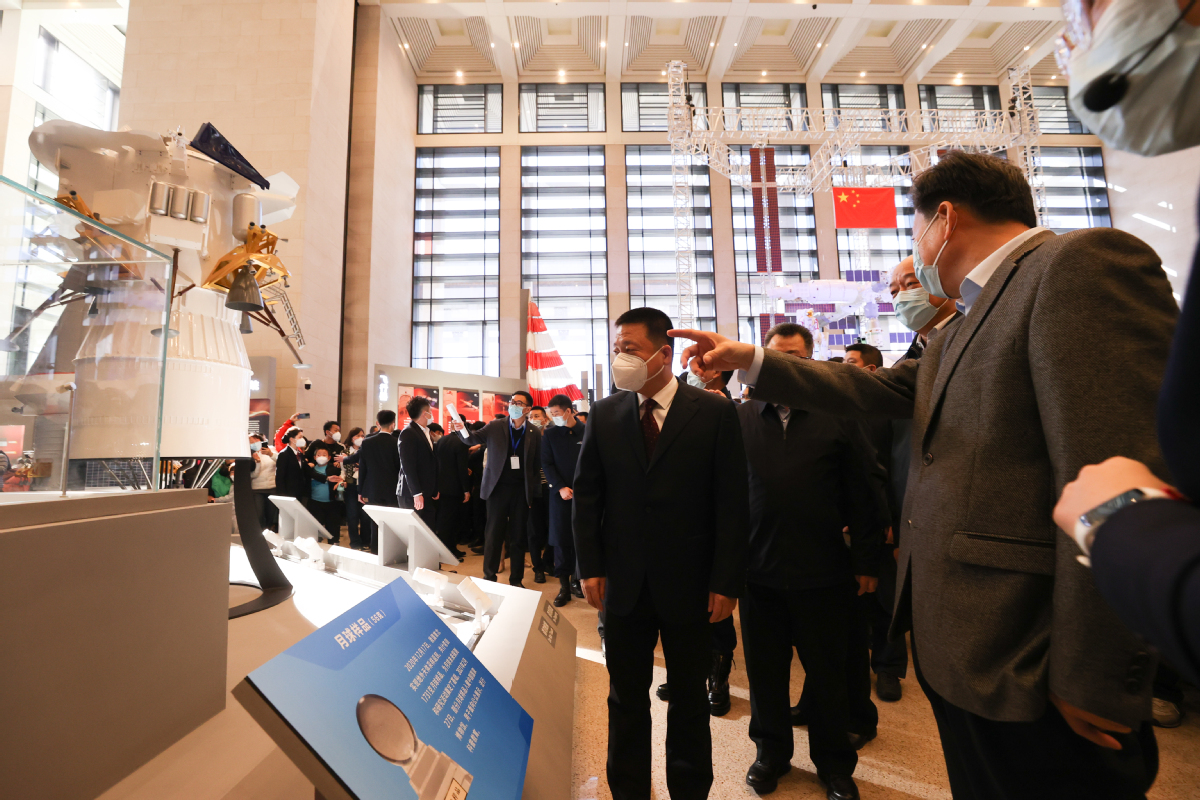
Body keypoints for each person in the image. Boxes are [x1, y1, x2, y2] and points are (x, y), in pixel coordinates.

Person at [672, 151, 1176, 800]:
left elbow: (1122, 475)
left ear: (944, 219)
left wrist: (1098, 671)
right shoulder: (966, 320)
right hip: (970, 652)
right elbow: (876, 389)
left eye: (914, 232)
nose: (916, 249)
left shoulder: (1077, 265)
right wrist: (750, 359)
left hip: (1032, 655)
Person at [573, 307, 750, 800]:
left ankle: (689, 789)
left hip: (692, 584)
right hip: (622, 582)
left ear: (663, 354)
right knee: (625, 698)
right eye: (616, 349)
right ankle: (629, 789)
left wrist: (726, 581)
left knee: (690, 699)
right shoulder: (606, 413)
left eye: (629, 349)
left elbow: (732, 502)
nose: (620, 358)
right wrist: (590, 567)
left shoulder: (713, 411)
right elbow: (588, 496)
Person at [738, 322, 884, 799]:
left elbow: (864, 491)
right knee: (765, 673)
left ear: (811, 362)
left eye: (796, 358)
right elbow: (723, 497)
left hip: (824, 571)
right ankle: (770, 754)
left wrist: (867, 562)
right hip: (757, 573)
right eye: (776, 357)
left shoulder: (837, 413)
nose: (785, 366)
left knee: (827, 675)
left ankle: (834, 764)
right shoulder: (741, 418)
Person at [843, 342, 906, 706]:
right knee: (856, 599)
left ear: (870, 370)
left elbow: (897, 470)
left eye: (850, 363)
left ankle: (888, 667)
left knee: (886, 599)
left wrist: (893, 519)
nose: (844, 368)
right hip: (850, 522)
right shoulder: (841, 409)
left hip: (884, 519)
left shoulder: (890, 411)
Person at [456, 391, 543, 587]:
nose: (513, 405)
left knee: (518, 537)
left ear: (527, 409)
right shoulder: (496, 425)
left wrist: (532, 494)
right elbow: (471, 439)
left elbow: (536, 465)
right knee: (494, 535)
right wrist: (461, 429)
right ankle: (489, 577)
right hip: (497, 489)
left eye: (518, 403)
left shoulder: (534, 432)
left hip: (521, 491)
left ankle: (516, 580)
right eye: (512, 401)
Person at [541, 394, 585, 607]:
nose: (554, 417)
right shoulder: (550, 434)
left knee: (582, 539)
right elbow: (546, 463)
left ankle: (579, 580)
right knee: (561, 540)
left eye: (556, 413)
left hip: (584, 494)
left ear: (569, 411)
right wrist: (560, 487)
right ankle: (564, 586)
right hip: (560, 495)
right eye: (551, 413)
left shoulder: (587, 431)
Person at [349, 410, 402, 554]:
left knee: (375, 523)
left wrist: (361, 491)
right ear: (393, 424)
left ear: (378, 423)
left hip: (373, 489)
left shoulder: (367, 442)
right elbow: (400, 468)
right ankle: (390, 553)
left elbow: (363, 467)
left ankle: (376, 552)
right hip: (393, 489)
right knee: (392, 522)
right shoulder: (396, 442)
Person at [889, 255, 960, 361]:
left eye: (910, 283)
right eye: (894, 291)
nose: (901, 296)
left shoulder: (977, 335)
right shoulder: (906, 361)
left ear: (949, 283)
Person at [398, 396, 439, 533]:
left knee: (427, 531)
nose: (431, 414)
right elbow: (408, 466)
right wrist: (416, 493)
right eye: (430, 411)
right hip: (412, 493)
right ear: (424, 413)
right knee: (413, 532)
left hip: (426, 491)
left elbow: (430, 462)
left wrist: (434, 488)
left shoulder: (425, 432)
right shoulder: (408, 433)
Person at [433, 419, 470, 560]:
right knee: (452, 520)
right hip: (455, 486)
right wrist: (466, 489)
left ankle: (450, 548)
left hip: (442, 484)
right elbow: (461, 468)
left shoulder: (442, 440)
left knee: (444, 519)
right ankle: (449, 550)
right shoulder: (462, 442)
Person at [526, 405, 553, 583]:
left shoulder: (552, 437)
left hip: (551, 489)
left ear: (545, 419)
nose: (533, 419)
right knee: (534, 531)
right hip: (533, 490)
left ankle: (548, 562)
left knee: (553, 529)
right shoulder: (526, 439)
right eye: (531, 417)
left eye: (537, 416)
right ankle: (538, 568)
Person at [306, 443, 342, 543]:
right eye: (318, 455)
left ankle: (334, 544)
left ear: (329, 457)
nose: (321, 457)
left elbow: (341, 479)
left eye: (324, 455)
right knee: (315, 528)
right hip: (314, 502)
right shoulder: (310, 469)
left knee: (333, 527)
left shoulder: (334, 469)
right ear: (314, 457)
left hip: (331, 503)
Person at [342, 427, 366, 550]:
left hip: (364, 486)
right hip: (351, 486)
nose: (360, 438)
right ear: (352, 438)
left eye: (362, 435)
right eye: (357, 435)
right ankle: (355, 542)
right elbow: (343, 469)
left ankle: (365, 541)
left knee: (365, 516)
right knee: (352, 515)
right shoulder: (345, 452)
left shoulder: (366, 450)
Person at [249, 434, 278, 532]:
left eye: (253, 441)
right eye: (250, 443)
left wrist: (270, 454)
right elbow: (253, 475)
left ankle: (269, 532)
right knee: (259, 514)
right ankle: (260, 534)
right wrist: (257, 462)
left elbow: (281, 462)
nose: (252, 444)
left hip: (272, 487)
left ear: (259, 440)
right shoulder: (250, 455)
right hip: (257, 489)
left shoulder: (272, 450)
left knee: (271, 514)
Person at [274, 428, 309, 502]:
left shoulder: (299, 453)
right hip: (289, 492)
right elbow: (280, 477)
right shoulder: (284, 454)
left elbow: (306, 470)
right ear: (292, 439)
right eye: (300, 437)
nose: (302, 439)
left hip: (300, 492)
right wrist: (282, 495)